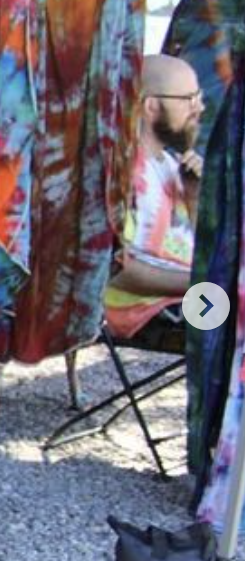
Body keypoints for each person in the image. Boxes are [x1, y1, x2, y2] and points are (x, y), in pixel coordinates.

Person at [103, 53, 202, 345]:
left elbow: (198, 251)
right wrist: (206, 280)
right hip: (143, 308)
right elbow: (119, 271)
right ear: (151, 106)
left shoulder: (172, 165)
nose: (200, 109)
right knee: (230, 309)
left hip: (184, 297)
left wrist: (195, 199)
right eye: (189, 99)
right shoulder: (124, 173)